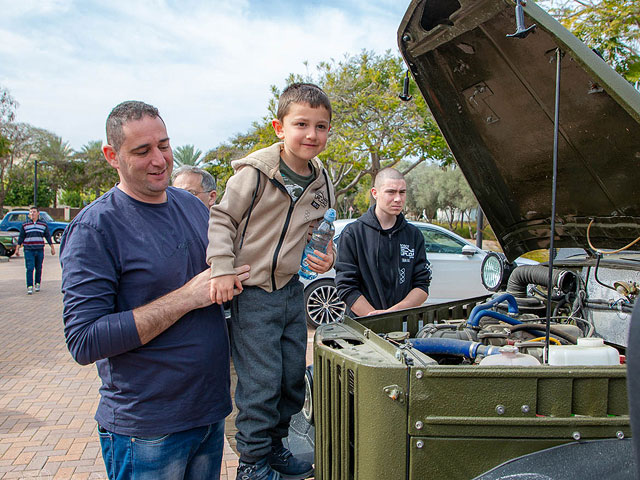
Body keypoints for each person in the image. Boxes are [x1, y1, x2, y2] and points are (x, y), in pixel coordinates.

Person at [60, 100, 249, 480]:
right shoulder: (95, 229)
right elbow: (83, 341)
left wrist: (311, 255)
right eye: (142, 151)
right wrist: (185, 298)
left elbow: (234, 266)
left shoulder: (193, 208)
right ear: (112, 155)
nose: (160, 160)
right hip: (147, 428)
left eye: (164, 145)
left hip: (210, 413)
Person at [207, 83, 336, 480]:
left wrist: (327, 254)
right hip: (254, 292)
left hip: (290, 290)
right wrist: (222, 268)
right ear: (279, 127)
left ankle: (276, 449)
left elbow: (321, 229)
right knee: (261, 383)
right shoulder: (256, 173)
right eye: (301, 124)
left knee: (291, 379)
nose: (312, 134)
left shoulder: (322, 180)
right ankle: (252, 464)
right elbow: (222, 219)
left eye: (321, 126)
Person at [335, 167, 432, 316]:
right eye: (391, 192)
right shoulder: (353, 233)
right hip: (362, 329)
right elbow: (346, 286)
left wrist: (392, 315)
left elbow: (422, 285)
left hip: (402, 327)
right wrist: (374, 318)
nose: (398, 199)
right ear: (375, 193)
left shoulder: (414, 235)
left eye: (402, 192)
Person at [16, 206, 55, 295]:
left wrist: (52, 247)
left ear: (38, 213)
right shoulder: (25, 224)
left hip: (39, 249)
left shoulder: (43, 224)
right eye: (31, 212)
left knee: (39, 268)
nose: (32, 214)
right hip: (28, 249)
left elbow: (47, 236)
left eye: (34, 212)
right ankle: (29, 286)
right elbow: (21, 237)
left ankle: (37, 283)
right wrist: (17, 248)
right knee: (30, 268)